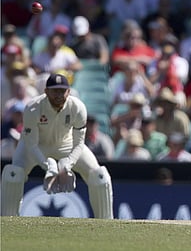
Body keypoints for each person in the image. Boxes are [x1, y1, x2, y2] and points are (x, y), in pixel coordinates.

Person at [1, 73, 113, 218]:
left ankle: (106, 224)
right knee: (13, 174)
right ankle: (8, 223)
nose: (59, 95)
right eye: (55, 91)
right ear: (46, 91)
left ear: (69, 91)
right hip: (35, 146)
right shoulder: (33, 108)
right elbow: (31, 144)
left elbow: (79, 143)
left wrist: (68, 163)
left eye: (62, 91)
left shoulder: (77, 107)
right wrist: (47, 165)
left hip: (67, 145)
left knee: (99, 175)